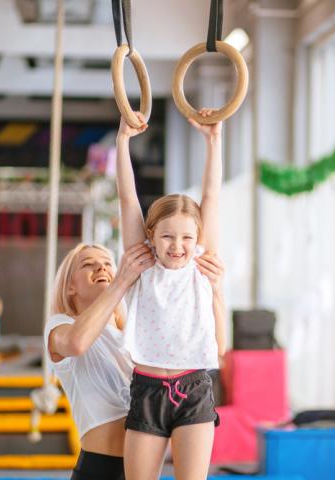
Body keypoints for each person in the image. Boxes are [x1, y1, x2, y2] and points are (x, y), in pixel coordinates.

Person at [46, 242, 224, 480]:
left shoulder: (134, 336)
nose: (101, 268)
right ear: (70, 287)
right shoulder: (60, 325)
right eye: (88, 265)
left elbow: (213, 347)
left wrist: (215, 290)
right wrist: (120, 281)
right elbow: (76, 343)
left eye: (108, 263)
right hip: (101, 470)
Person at [116, 109, 226, 479]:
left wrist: (214, 140)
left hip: (193, 388)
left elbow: (211, 195)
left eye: (186, 238)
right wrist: (122, 141)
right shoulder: (143, 263)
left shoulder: (199, 264)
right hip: (147, 389)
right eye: (166, 236)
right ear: (150, 236)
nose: (177, 246)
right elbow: (128, 200)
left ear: (197, 240)